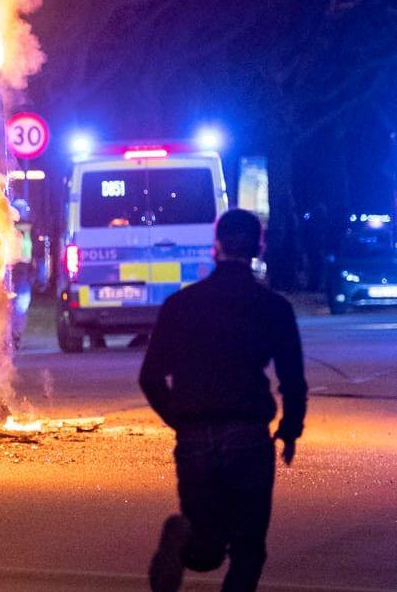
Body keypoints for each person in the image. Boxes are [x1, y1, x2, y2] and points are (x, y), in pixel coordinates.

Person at [140, 209, 307, 592]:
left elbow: (150, 377)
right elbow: (292, 379)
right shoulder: (273, 307)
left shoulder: (181, 305)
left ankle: (184, 541)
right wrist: (290, 429)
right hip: (248, 435)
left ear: (216, 245)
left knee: (207, 548)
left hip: (195, 435)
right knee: (248, 550)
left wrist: (181, 420)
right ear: (258, 246)